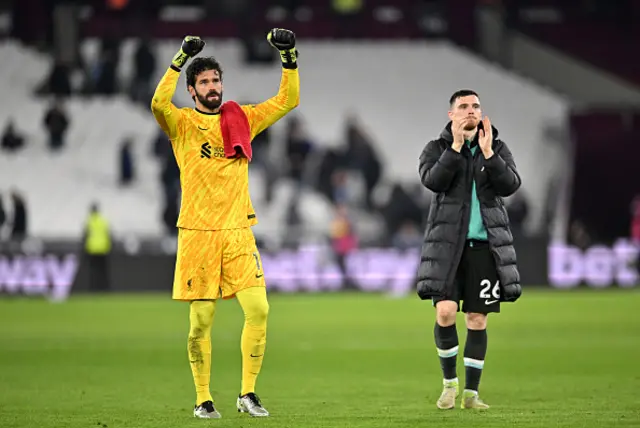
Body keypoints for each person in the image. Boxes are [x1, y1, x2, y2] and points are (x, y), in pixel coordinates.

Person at [150, 29, 299, 419]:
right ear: (193, 90)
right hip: (197, 233)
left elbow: (289, 99)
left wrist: (288, 57)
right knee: (201, 321)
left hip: (237, 231)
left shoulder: (242, 118)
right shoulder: (181, 124)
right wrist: (179, 57)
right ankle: (203, 398)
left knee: (260, 309)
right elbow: (157, 102)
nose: (213, 87)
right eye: (204, 82)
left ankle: (247, 393)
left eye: (216, 80)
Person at [416, 89, 522, 410]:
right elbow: (432, 180)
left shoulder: (497, 148)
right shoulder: (436, 148)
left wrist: (490, 156)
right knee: (446, 312)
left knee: (477, 319)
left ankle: (471, 395)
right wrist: (456, 147)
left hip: (483, 247)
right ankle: (449, 385)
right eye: (463, 106)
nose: (470, 111)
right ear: (452, 115)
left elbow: (511, 185)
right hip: (448, 248)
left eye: (475, 106)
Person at [82, 203, 112, 292]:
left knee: (93, 271)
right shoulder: (103, 221)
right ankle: (104, 289)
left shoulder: (89, 221)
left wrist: (84, 249)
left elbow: (85, 236)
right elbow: (109, 234)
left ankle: (94, 289)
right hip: (103, 248)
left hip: (92, 249)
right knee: (103, 271)